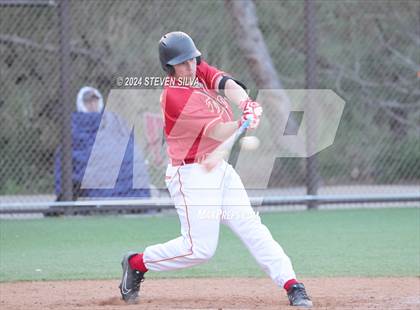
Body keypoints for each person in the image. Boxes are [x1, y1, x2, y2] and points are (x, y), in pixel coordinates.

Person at [119, 32, 312, 308]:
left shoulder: (197, 70)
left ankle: (292, 284)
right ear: (169, 67)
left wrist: (246, 103)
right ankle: (136, 263)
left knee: (251, 226)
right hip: (190, 175)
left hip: (217, 167)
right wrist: (241, 123)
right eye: (181, 64)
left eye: (191, 60)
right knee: (199, 250)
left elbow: (225, 83)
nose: (189, 67)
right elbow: (217, 132)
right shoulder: (175, 96)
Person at [54, 86, 151, 200]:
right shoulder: (74, 125)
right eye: (88, 102)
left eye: (95, 101)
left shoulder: (112, 120)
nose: (92, 104)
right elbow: (75, 150)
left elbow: (126, 142)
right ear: (81, 104)